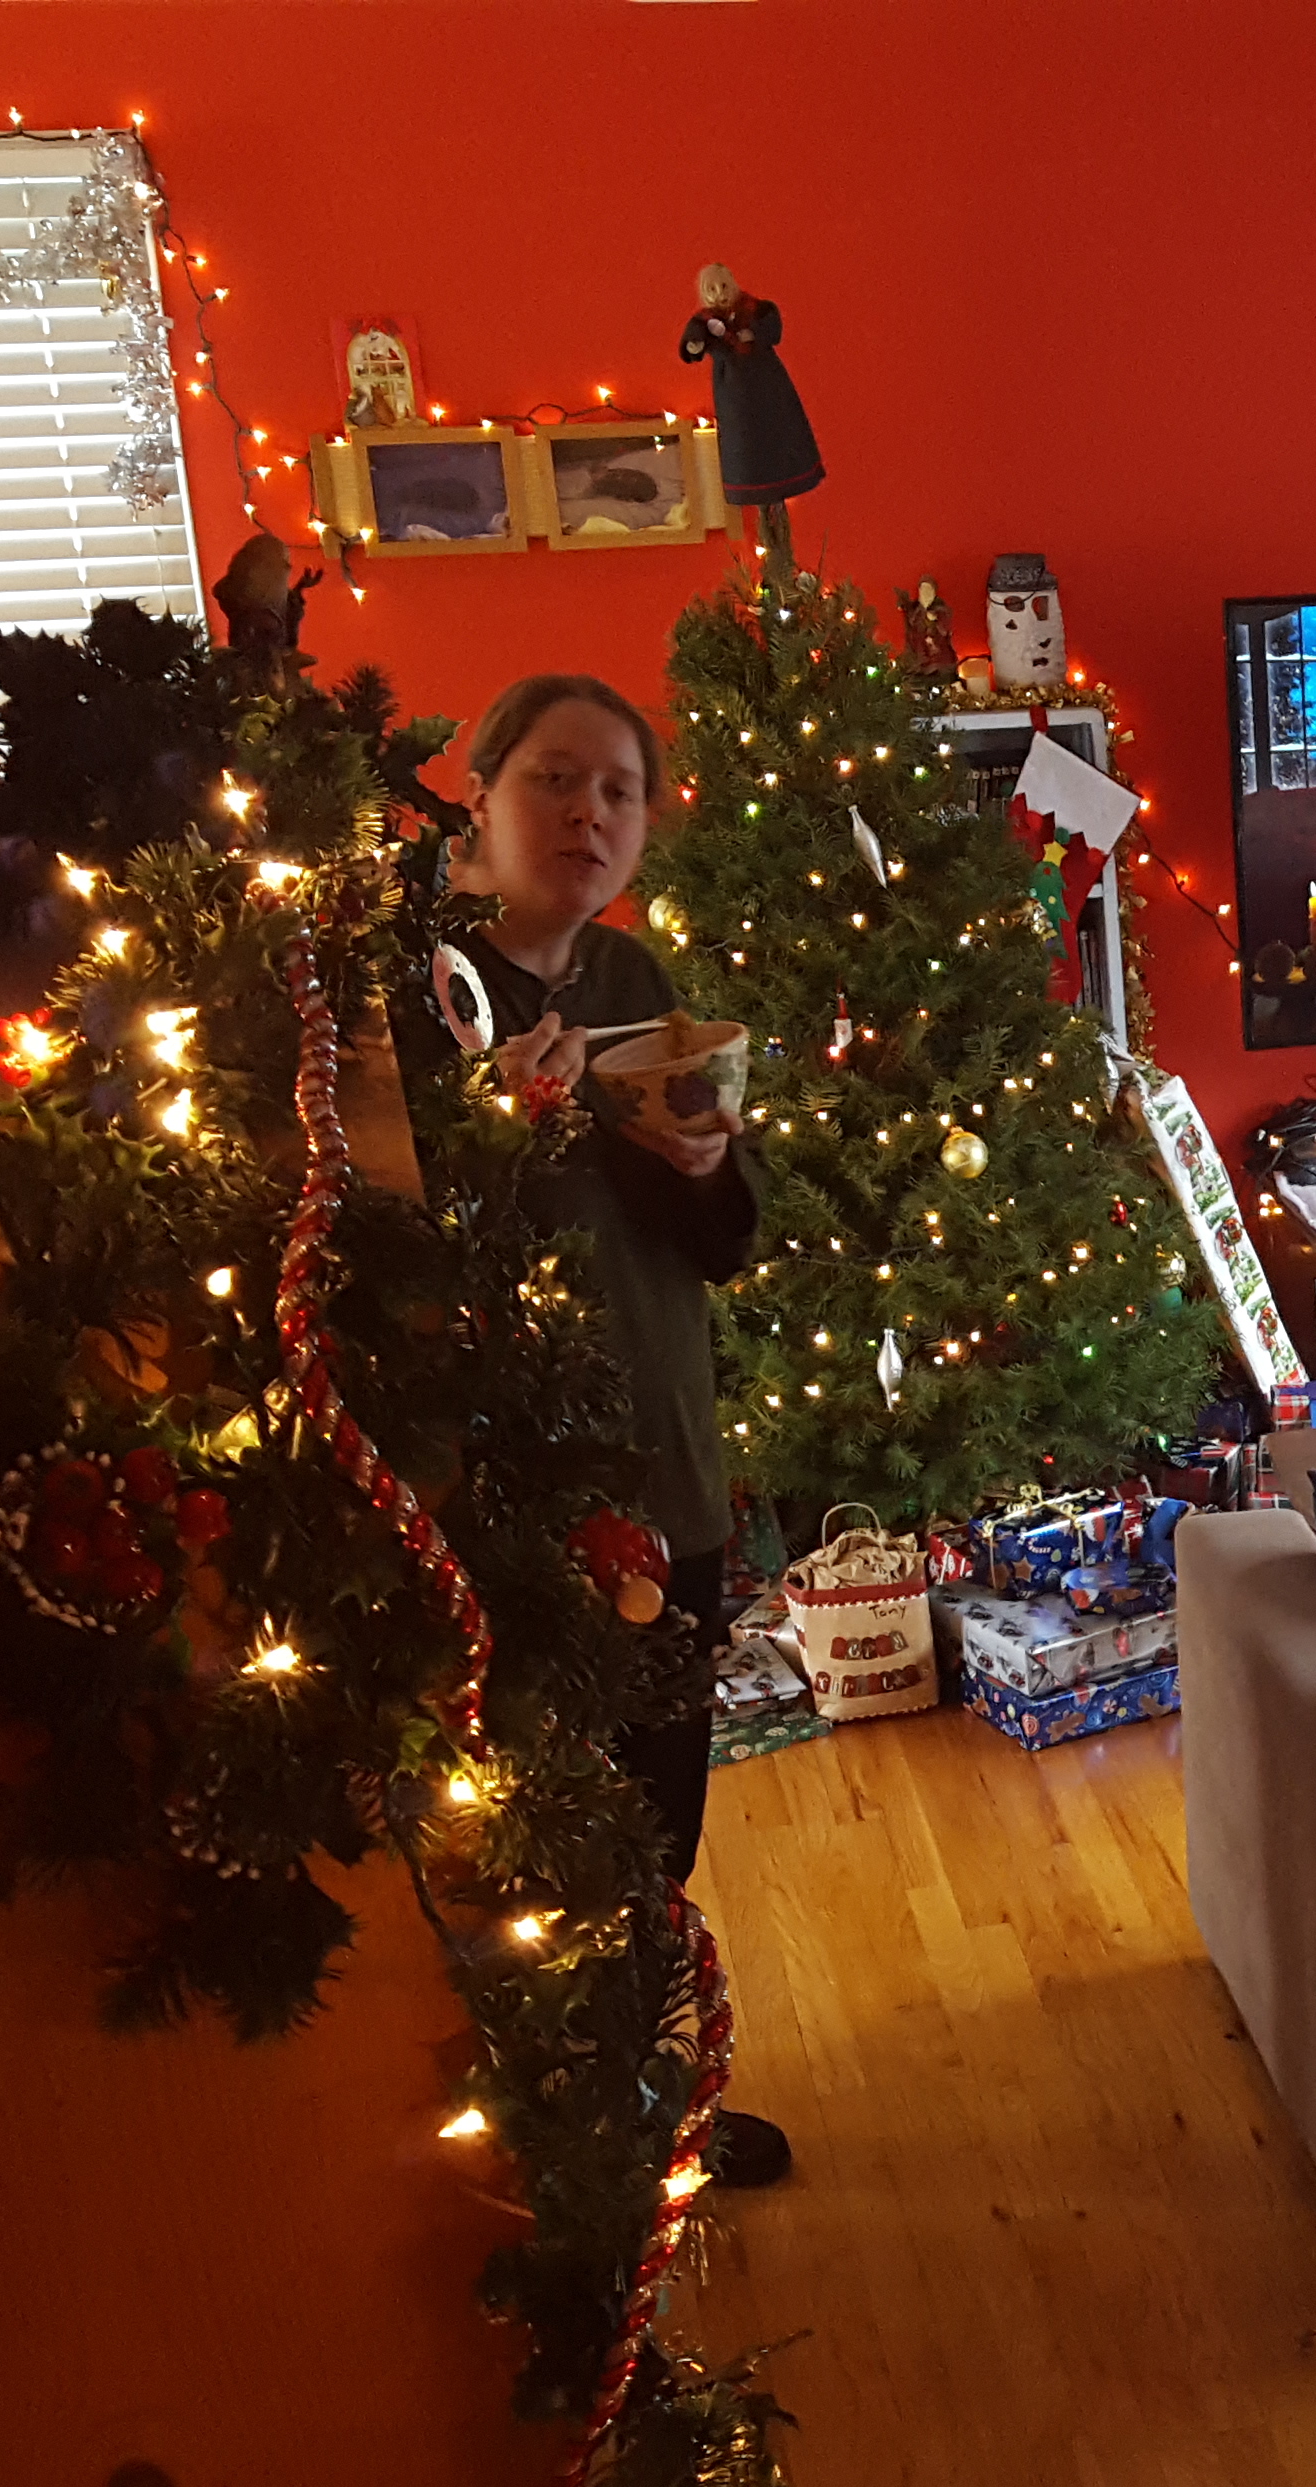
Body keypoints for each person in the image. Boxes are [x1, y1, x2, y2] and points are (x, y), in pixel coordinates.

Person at [421, 670, 793, 2182]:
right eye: (555, 781)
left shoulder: (636, 977)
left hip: (668, 1476)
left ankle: (645, 2118)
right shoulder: (419, 997)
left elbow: (718, 1247)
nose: (588, 814)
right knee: (527, 1834)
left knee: (654, 1821)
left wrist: (703, 1161)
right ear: (485, 795)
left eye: (619, 792)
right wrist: (483, 1132)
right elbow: (402, 1248)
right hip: (514, 1500)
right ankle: (544, 2140)